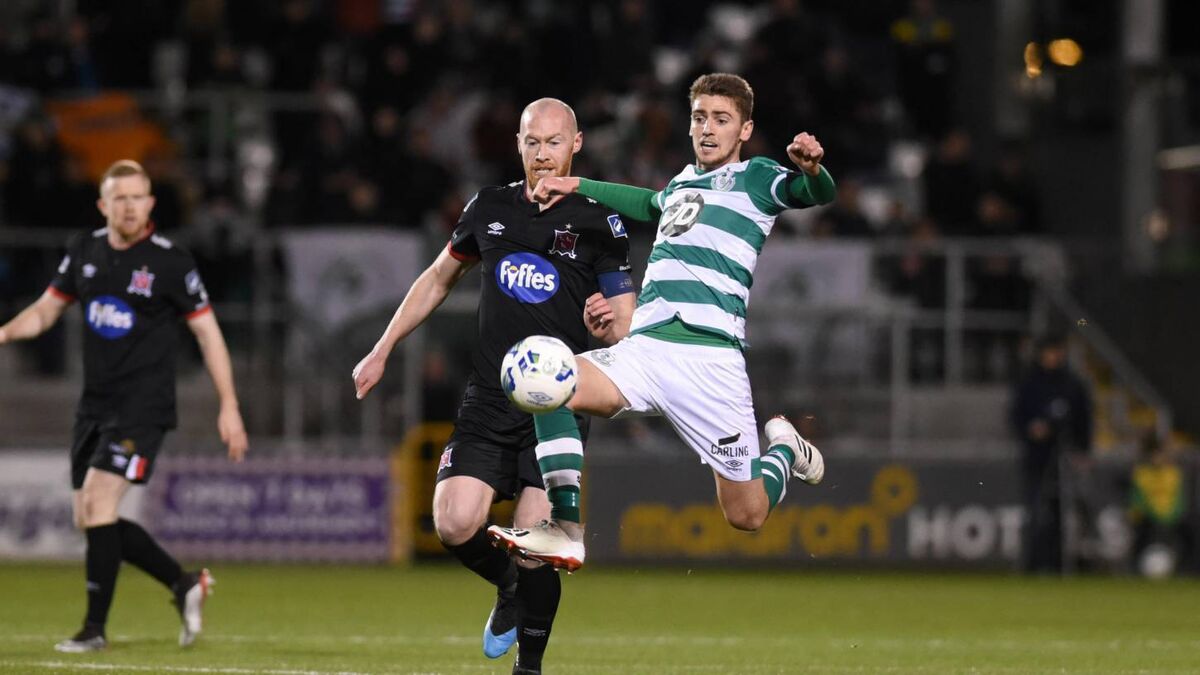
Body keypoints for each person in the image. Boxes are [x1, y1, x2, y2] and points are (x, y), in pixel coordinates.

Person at [489, 73, 834, 571]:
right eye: (699, 118)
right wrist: (576, 184)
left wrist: (814, 169)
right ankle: (564, 528)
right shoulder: (682, 182)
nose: (708, 129)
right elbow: (651, 203)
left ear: (744, 130)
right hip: (645, 351)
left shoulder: (756, 177)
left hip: (710, 362)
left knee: (747, 514)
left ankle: (783, 449)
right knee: (547, 379)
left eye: (721, 119)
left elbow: (813, 192)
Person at [352, 98, 634, 675]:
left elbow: (624, 323)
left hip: (558, 404)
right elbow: (439, 278)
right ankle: (507, 588)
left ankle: (528, 668)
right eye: (533, 142)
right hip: (490, 395)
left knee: (537, 547)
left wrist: (607, 324)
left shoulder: (599, 220)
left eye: (554, 142)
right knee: (454, 522)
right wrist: (383, 348)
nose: (543, 154)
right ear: (518, 144)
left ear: (576, 144)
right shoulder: (489, 207)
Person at [0, 159, 248, 652]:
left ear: (151, 203)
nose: (130, 207)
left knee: (97, 503)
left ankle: (93, 630)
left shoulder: (170, 262)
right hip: (94, 406)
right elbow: (47, 310)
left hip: (144, 407)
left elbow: (208, 333)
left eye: (138, 197)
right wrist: (4, 332)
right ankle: (183, 583)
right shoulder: (84, 250)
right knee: (91, 518)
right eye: (121, 198)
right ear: (103, 204)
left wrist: (229, 405)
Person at [1010, 333, 1092, 573]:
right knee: (1035, 509)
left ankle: (1059, 562)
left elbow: (1083, 419)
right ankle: (1033, 563)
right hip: (1037, 456)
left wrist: (1083, 450)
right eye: (1049, 352)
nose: (1053, 357)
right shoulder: (1029, 383)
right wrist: (1031, 429)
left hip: (1064, 456)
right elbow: (1016, 416)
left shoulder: (1072, 384)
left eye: (1056, 352)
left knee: (1062, 512)